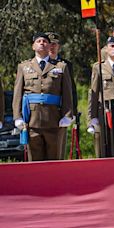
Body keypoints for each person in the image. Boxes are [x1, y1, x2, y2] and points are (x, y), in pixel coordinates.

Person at [13, 32, 73, 161]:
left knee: (54, 159)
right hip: (32, 121)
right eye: (38, 41)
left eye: (45, 42)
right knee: (34, 160)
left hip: (54, 120)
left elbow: (67, 94)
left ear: (49, 46)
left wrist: (67, 115)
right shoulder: (24, 67)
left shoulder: (60, 67)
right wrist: (17, 117)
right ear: (33, 46)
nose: (42, 43)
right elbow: (18, 94)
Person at [46, 32, 78, 159]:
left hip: (59, 110)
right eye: (50, 44)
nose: (52, 47)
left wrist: (72, 112)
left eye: (55, 44)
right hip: (41, 111)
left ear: (59, 46)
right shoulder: (38, 63)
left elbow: (71, 90)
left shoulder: (66, 65)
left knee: (58, 147)